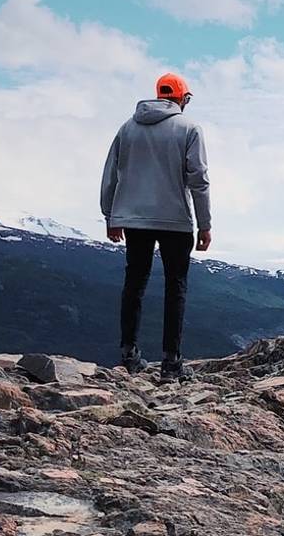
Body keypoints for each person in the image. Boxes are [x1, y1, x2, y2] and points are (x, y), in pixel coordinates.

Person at [100, 72, 212, 381]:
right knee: (175, 287)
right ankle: (171, 363)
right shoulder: (189, 129)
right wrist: (204, 224)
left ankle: (128, 353)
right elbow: (198, 181)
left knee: (134, 283)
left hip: (134, 220)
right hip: (175, 220)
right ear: (181, 99)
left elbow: (111, 173)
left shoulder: (128, 128)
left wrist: (111, 215)